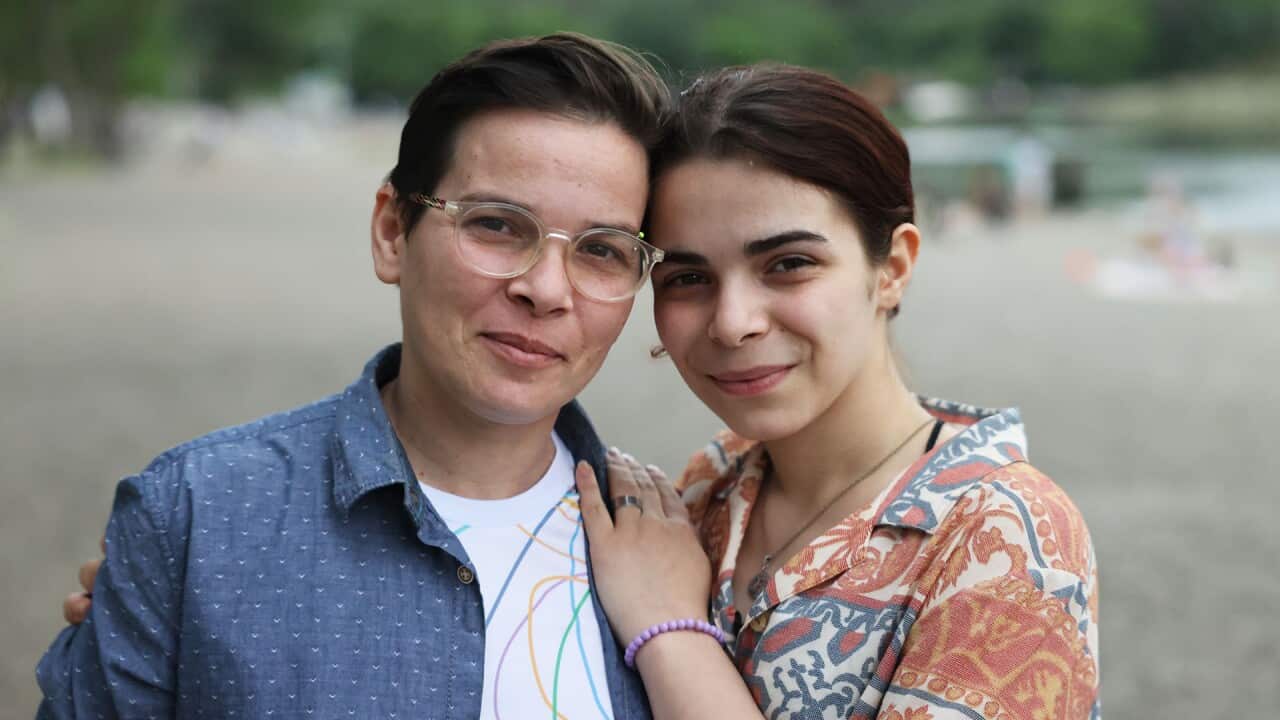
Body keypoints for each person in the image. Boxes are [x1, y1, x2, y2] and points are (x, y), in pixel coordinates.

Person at [37, 32, 670, 719]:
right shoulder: (196, 521)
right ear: (393, 233)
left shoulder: (695, 554)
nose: (546, 289)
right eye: (496, 224)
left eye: (603, 250)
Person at [575, 65, 1101, 719]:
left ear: (893, 270)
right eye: (687, 277)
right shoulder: (715, 484)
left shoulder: (1001, 533)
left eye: (789, 264)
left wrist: (670, 630)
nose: (734, 322)